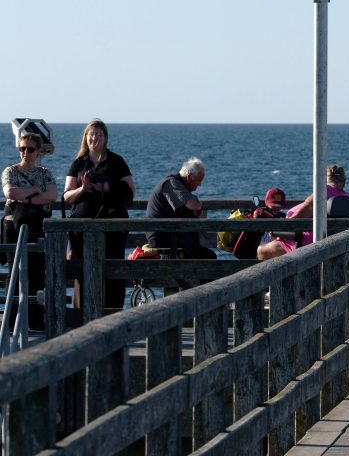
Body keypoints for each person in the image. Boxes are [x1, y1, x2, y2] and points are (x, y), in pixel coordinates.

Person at [62, 119, 135, 309]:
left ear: (105, 138)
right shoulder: (78, 164)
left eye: (99, 134)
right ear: (86, 138)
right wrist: (84, 189)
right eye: (91, 134)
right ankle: (82, 315)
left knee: (113, 269)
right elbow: (67, 196)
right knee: (82, 270)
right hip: (82, 225)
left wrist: (103, 186)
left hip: (113, 225)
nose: (94, 138)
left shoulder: (116, 161)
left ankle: (112, 314)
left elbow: (130, 192)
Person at [2, 132, 58, 329]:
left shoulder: (45, 173)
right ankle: (10, 319)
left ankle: (34, 318)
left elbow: (51, 195)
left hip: (37, 227)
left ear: (39, 151)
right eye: (22, 148)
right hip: (13, 227)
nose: (25, 152)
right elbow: (9, 192)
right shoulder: (10, 171)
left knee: (36, 272)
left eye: (30, 149)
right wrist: (36, 192)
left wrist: (25, 196)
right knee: (14, 271)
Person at [257, 164, 349, 260]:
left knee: (261, 250)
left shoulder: (323, 192)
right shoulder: (348, 197)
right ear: (344, 181)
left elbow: (303, 213)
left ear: (324, 179)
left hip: (304, 241)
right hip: (327, 239)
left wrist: (280, 229)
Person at [145, 158, 214, 259]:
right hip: (163, 239)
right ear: (190, 177)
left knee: (208, 255)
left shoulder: (179, 185)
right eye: (199, 181)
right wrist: (199, 204)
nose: (199, 185)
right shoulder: (171, 183)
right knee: (208, 257)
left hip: (172, 236)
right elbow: (193, 204)